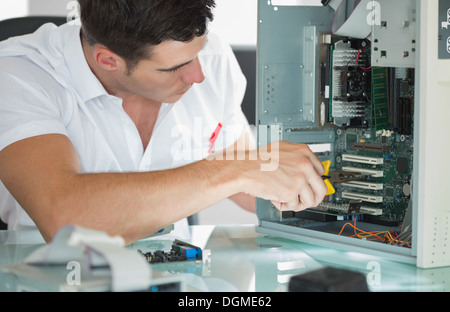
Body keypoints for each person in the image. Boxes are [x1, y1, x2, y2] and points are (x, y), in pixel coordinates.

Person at [0, 0, 327, 245]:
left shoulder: (211, 60)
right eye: (174, 68)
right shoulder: (18, 76)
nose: (197, 75)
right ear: (108, 60)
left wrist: (300, 179)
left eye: (199, 52)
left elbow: (248, 187)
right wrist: (235, 170)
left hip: (178, 275)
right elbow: (65, 218)